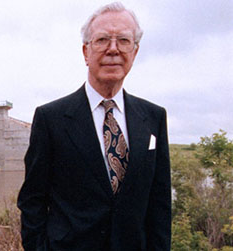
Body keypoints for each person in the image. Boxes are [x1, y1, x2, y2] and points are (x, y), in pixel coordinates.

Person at [17, 2, 171, 250]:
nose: (113, 49)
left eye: (123, 40)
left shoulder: (154, 118)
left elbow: (160, 205)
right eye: (102, 40)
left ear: (135, 51)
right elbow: (32, 201)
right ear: (85, 52)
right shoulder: (51, 119)